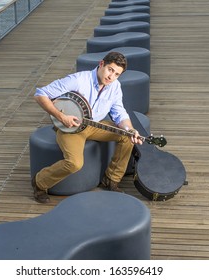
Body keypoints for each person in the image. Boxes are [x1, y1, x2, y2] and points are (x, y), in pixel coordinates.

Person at [32, 51, 143, 203]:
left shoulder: (115, 86)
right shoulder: (78, 80)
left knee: (127, 136)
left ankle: (111, 179)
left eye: (117, 74)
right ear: (101, 64)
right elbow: (40, 94)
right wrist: (61, 116)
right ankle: (40, 182)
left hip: (94, 125)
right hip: (70, 127)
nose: (111, 77)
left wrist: (130, 129)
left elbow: (119, 113)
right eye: (110, 70)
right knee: (74, 163)